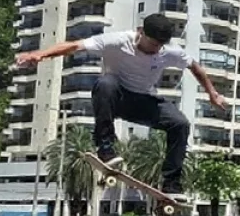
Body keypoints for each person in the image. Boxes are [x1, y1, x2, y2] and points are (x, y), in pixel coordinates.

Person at [14, 13, 229, 201]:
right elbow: (73, 46)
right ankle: (105, 147)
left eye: (159, 46)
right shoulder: (117, 41)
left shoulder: (170, 52)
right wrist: (40, 55)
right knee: (106, 83)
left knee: (180, 124)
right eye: (153, 44)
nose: (156, 50)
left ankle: (172, 182)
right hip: (116, 99)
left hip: (144, 102)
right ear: (141, 32)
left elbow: (194, 66)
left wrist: (212, 93)